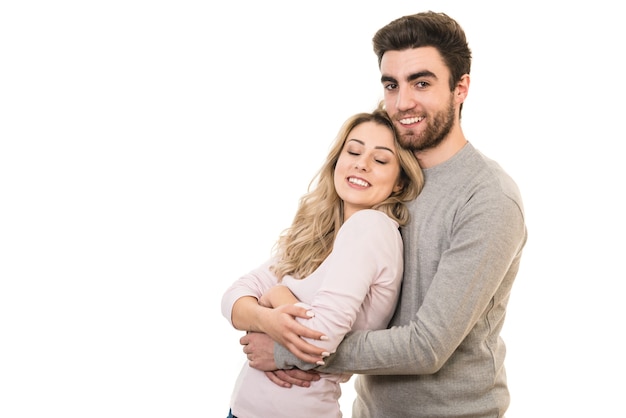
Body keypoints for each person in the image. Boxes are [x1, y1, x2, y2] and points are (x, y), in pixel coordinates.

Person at [236, 11, 528, 418]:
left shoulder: (488, 198)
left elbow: (427, 346)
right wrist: (274, 306)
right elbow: (312, 277)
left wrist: (289, 349)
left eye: (421, 83)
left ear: (461, 87)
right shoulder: (384, 181)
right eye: (392, 85)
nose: (402, 102)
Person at [221, 106, 424, 417]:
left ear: (399, 182)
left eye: (380, 159)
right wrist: (266, 320)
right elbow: (234, 296)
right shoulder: (321, 233)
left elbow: (319, 338)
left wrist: (276, 297)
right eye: (353, 152)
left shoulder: (370, 228)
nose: (362, 165)